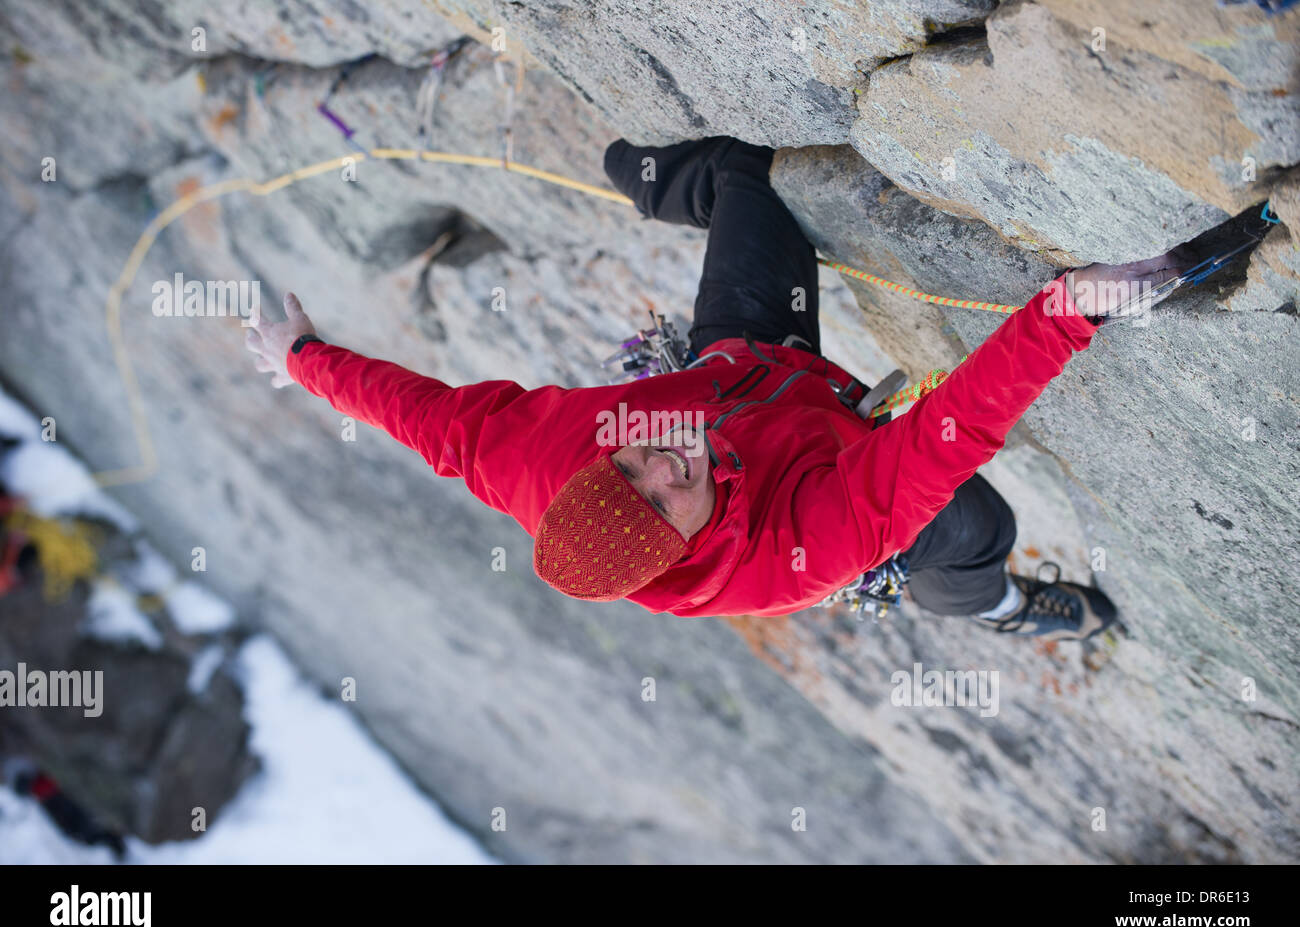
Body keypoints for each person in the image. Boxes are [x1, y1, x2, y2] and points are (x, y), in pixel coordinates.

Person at [245, 136, 1181, 637]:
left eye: (631, 468)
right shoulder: (794, 552)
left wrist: (302, 358)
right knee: (979, 527)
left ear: (588, 466)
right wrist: (1067, 310)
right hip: (840, 463)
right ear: (679, 549)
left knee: (749, 177)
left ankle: (664, 185)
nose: (665, 463)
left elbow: (428, 423)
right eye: (665, 499)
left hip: (750, 364)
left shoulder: (531, 458)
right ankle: (994, 607)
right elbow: (948, 431)